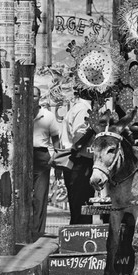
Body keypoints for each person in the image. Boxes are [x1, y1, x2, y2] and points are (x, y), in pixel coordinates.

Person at [62, 89, 95, 225]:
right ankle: (80, 239)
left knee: (79, 206)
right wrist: (93, 129)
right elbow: (78, 139)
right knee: (82, 206)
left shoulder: (81, 108)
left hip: (79, 161)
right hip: (80, 162)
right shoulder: (83, 110)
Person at [33, 86, 60, 240]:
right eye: (30, 95)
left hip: (42, 156)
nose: (32, 98)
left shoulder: (48, 116)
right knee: (21, 196)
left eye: (35, 96)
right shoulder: (20, 114)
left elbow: (56, 140)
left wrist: (56, 160)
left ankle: (37, 232)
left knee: (39, 197)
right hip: (23, 157)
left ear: (39, 98)